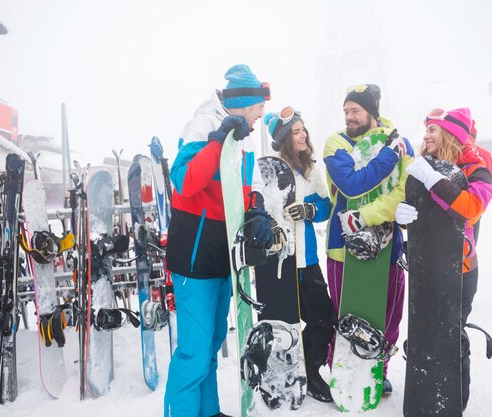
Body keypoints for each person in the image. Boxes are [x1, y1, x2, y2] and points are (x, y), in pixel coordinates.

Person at [164, 64, 273, 417]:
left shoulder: (248, 138)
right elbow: (184, 181)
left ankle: (208, 411)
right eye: (259, 108)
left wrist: (257, 210)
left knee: (211, 344)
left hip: (224, 255)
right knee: (193, 351)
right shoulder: (203, 124)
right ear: (244, 103)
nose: (261, 115)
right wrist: (218, 140)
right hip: (194, 256)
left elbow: (251, 185)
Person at [395, 107, 492, 410]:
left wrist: (433, 180)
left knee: (451, 334)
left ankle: (455, 398)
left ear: (451, 134)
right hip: (427, 270)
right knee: (425, 332)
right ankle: (424, 394)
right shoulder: (425, 166)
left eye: (432, 130)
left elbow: (471, 208)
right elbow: (420, 216)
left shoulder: (477, 168)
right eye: (425, 129)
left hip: (460, 270)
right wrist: (402, 217)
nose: (425, 135)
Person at [322, 84, 414, 396]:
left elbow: (405, 191)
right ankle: (341, 372)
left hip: (388, 245)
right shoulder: (336, 143)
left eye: (355, 110)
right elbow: (350, 185)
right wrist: (388, 156)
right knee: (346, 315)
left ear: (371, 112)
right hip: (342, 248)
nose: (348, 116)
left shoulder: (403, 142)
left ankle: (379, 371)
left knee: (388, 314)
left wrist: (369, 214)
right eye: (345, 111)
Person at [263, 107, 335, 402]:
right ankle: (279, 376)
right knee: (282, 324)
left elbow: (326, 205)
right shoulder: (267, 170)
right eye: (296, 131)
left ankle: (310, 370)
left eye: (303, 129)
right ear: (284, 139)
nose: (303, 134)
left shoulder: (311, 170)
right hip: (279, 263)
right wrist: (271, 226)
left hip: (307, 261)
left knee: (323, 319)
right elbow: (258, 210)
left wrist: (310, 209)